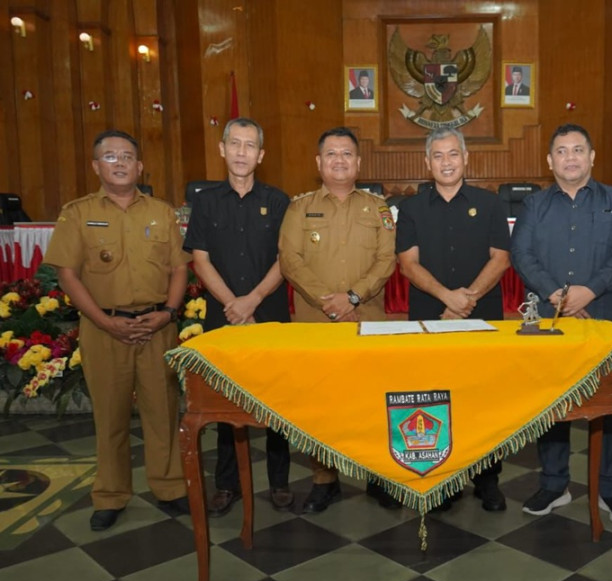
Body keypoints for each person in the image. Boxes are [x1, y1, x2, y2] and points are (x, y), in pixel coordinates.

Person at [43, 130, 190, 531]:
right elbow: (67, 274)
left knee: (163, 412)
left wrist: (170, 312)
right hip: (103, 328)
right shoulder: (77, 213)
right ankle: (110, 494)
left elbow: (180, 267)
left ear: (140, 166)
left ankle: (172, 487)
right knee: (110, 417)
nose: (120, 163)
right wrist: (104, 320)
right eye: (111, 157)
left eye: (128, 156)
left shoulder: (161, 212)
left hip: (157, 325)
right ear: (96, 166)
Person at [511, 123, 612, 521]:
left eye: (578, 150)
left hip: (605, 319)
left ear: (592, 156)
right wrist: (560, 296)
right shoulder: (534, 205)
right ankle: (553, 484)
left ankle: (610, 487)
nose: (571, 157)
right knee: (553, 405)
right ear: (550, 161)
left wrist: (590, 291)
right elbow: (522, 254)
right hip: (552, 321)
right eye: (562, 151)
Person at [278, 126, 396, 513]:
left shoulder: (379, 208)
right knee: (320, 404)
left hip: (367, 320)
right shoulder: (299, 208)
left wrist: (353, 297)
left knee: (371, 400)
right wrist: (327, 301)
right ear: (318, 162)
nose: (339, 160)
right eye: (331, 154)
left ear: (358, 163)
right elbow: (290, 260)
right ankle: (324, 480)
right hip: (316, 323)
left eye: (347, 154)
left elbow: (386, 259)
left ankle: (378, 477)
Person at [182, 117, 294, 517]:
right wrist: (234, 303)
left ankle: (279, 482)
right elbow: (200, 258)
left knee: (276, 402)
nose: (242, 152)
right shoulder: (206, 201)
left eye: (250, 146)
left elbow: (287, 259)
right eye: (235, 144)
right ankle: (227, 484)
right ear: (222, 149)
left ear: (261, 154)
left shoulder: (280, 201)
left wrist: (254, 300)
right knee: (225, 402)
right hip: (224, 316)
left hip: (270, 314)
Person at [395, 127, 510, 512]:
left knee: (483, 397)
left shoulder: (490, 203)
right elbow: (407, 264)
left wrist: (467, 299)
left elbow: (501, 258)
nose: (446, 162)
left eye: (453, 154)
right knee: (436, 397)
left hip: (480, 316)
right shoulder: (410, 208)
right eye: (438, 156)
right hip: (430, 317)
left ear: (466, 158)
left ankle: (488, 479)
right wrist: (447, 298)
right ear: (427, 163)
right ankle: (443, 478)